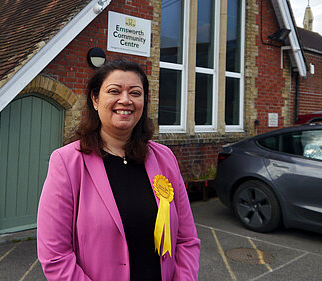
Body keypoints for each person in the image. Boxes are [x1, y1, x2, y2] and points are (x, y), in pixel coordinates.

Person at [37, 59, 200, 281]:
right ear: (95, 99)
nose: (125, 100)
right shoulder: (67, 163)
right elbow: (55, 256)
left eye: (135, 93)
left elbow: (187, 239)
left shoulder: (165, 158)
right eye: (114, 91)